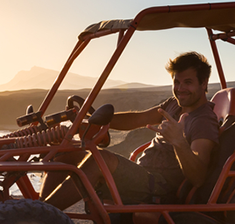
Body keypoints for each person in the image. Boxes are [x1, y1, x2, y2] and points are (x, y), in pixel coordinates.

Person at [43, 52, 219, 209]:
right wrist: (95, 121)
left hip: (161, 188)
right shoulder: (174, 104)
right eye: (177, 82)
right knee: (66, 154)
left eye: (188, 82)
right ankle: (39, 209)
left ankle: (41, 215)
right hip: (143, 175)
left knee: (100, 160)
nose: (180, 89)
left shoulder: (203, 121)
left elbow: (198, 178)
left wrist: (179, 142)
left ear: (203, 83)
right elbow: (139, 118)